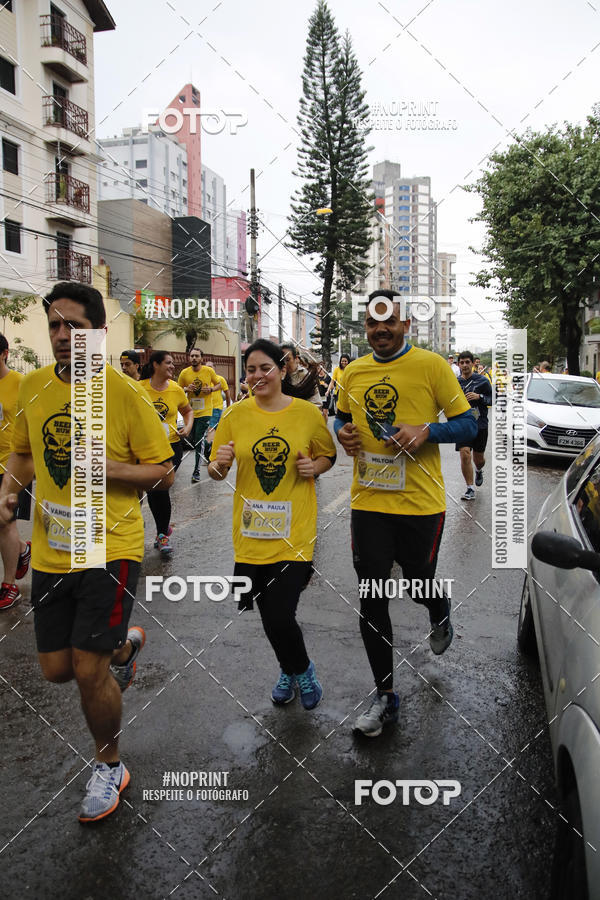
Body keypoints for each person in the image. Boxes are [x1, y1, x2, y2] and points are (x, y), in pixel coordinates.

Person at [0, 282, 174, 821]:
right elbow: (23, 454)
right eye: (54, 325)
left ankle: (109, 765)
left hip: (110, 548)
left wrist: (112, 468)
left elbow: (163, 472)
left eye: (73, 326)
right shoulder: (31, 386)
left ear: (98, 334)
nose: (60, 336)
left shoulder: (125, 394)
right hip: (53, 553)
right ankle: (122, 649)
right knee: (56, 670)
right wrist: (7, 491)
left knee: (86, 669)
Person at [335, 290, 476, 737]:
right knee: (372, 595)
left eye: (389, 321)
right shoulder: (352, 372)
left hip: (421, 504)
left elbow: (470, 423)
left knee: (417, 581)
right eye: (373, 323)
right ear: (366, 328)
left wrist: (427, 431)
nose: (380, 330)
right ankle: (385, 696)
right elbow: (339, 418)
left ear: (405, 325)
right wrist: (344, 434)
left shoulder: (432, 366)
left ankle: (438, 607)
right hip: (370, 503)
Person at [208, 339, 336, 710]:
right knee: (269, 615)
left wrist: (315, 467)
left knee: (281, 611)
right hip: (250, 535)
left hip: (295, 534)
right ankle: (288, 669)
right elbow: (215, 473)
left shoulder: (308, 414)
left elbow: (327, 454)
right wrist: (220, 463)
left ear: (282, 370)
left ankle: (303, 671)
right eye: (250, 369)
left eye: (265, 368)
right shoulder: (235, 415)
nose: (257, 375)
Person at [140, 351, 193, 556]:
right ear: (155, 365)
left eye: (173, 363)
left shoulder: (176, 390)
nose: (172, 366)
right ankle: (162, 528)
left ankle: (162, 534)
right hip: (146, 449)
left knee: (160, 487)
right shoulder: (139, 388)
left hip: (172, 447)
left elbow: (188, 411)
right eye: (168, 363)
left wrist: (188, 427)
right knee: (154, 490)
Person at [0, 334, 32, 610]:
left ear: (4, 354)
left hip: (11, 464)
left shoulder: (20, 384)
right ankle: (22, 549)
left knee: (5, 523)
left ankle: (9, 585)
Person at [177, 347, 221, 482]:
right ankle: (209, 448)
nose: (194, 358)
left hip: (205, 412)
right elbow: (178, 389)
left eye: (197, 356)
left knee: (199, 440)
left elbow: (218, 384)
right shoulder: (184, 373)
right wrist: (186, 388)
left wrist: (211, 389)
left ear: (201, 358)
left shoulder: (208, 371)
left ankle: (196, 471)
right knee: (194, 440)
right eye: (192, 356)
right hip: (190, 413)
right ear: (189, 358)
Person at [456, 351, 493, 501]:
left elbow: (493, 399)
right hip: (462, 424)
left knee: (479, 459)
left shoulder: (482, 381)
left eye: (467, 362)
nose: (464, 365)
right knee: (465, 453)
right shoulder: (455, 382)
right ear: (458, 364)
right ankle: (470, 488)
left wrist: (480, 397)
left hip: (480, 424)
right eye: (462, 362)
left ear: (473, 363)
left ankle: (479, 470)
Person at [202, 361, 231, 462]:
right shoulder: (202, 380)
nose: (209, 369)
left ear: (214, 368)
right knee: (211, 431)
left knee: (212, 430)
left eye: (210, 367)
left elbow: (227, 394)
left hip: (216, 409)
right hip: (204, 409)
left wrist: (228, 408)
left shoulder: (219, 379)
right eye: (206, 367)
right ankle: (209, 450)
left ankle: (209, 453)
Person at [280, 343, 322, 409]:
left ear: (296, 358)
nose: (284, 363)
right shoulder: (276, 378)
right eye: (281, 360)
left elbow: (317, 404)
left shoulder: (306, 376)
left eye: (288, 360)